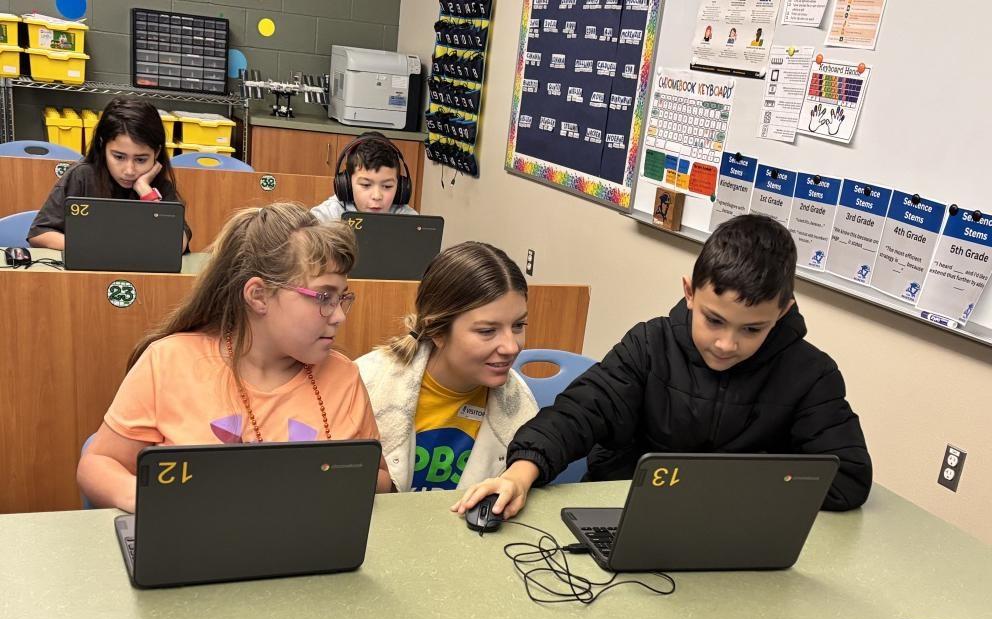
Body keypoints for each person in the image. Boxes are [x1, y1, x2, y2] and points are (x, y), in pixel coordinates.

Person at [453, 215, 872, 520]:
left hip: (736, 531)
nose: (727, 344)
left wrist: (736, 490)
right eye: (714, 319)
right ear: (689, 293)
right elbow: (578, 414)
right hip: (625, 513)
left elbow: (847, 478)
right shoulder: (650, 345)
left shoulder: (810, 374)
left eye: (753, 329)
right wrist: (520, 473)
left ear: (784, 312)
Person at [77, 202, 393, 512]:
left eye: (343, 297)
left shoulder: (344, 376)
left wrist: (333, 482)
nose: (339, 315)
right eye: (324, 297)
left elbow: (379, 477)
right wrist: (146, 500)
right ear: (258, 296)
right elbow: (98, 462)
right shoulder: (169, 361)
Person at [356, 242, 537, 492]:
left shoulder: (521, 405)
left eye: (518, 326)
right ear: (437, 331)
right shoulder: (366, 383)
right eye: (487, 331)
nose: (511, 346)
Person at [28, 96, 191, 252]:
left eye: (141, 160)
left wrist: (146, 192)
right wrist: (102, 247)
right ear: (102, 145)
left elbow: (177, 244)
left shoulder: (159, 187)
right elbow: (39, 234)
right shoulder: (82, 176)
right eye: (119, 157)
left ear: (156, 153)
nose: (129, 170)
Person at [312, 131, 417, 223]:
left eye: (387, 186)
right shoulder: (329, 215)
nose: (377, 196)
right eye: (366, 185)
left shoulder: (410, 221)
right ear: (346, 184)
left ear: (400, 187)